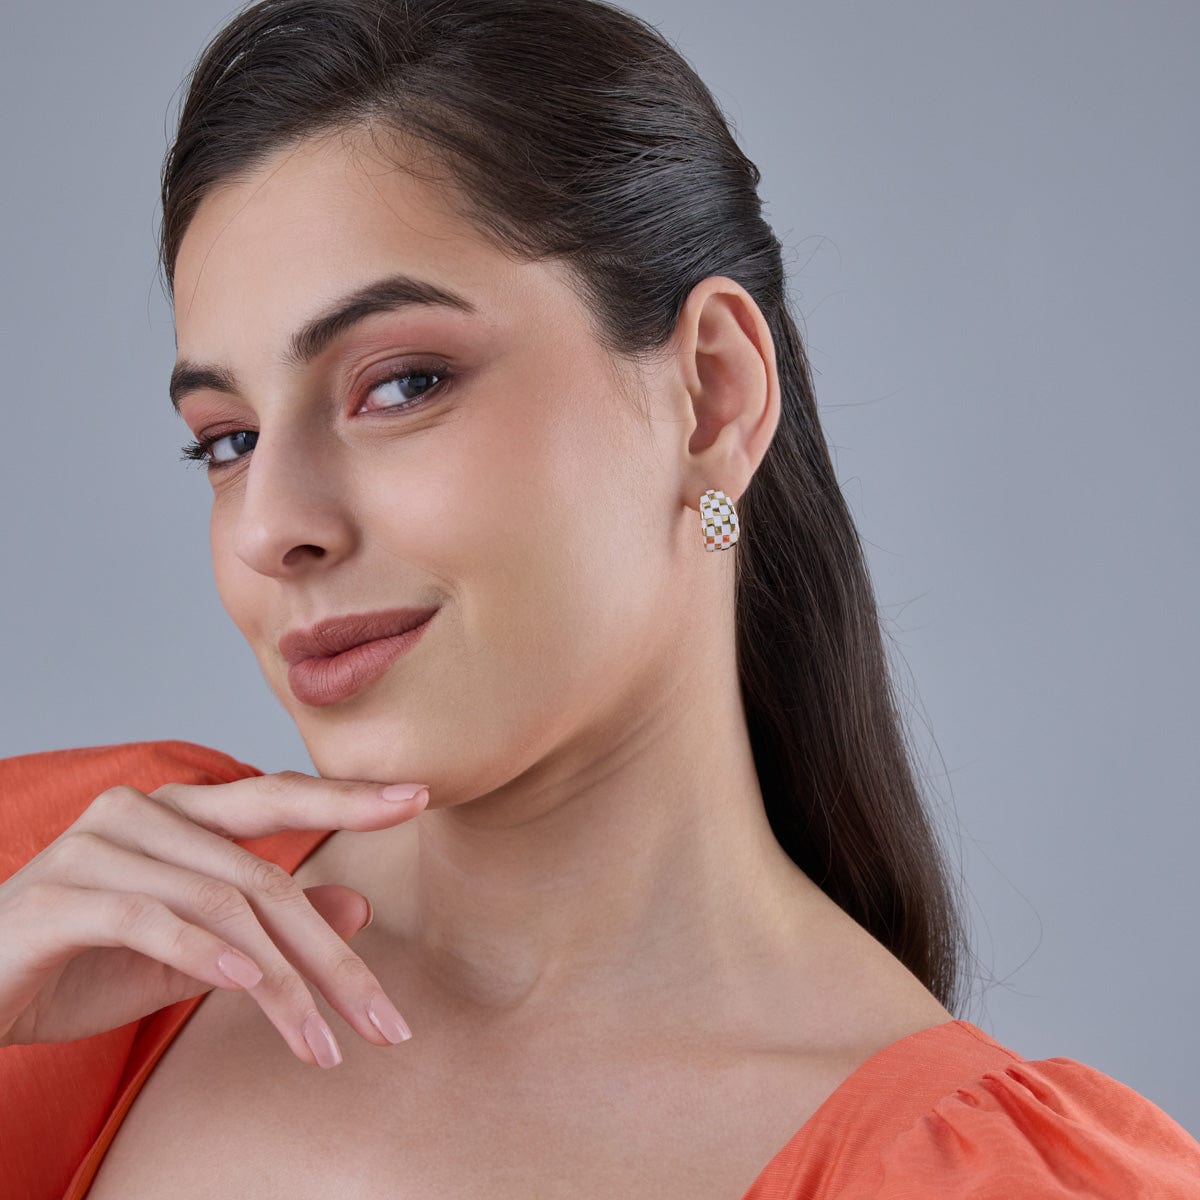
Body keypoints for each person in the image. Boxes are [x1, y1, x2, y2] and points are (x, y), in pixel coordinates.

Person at [2, 0, 1197, 1196]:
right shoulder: (65, 904)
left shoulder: (981, 1179)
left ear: (713, 395)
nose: (271, 528)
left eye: (401, 384)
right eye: (227, 441)